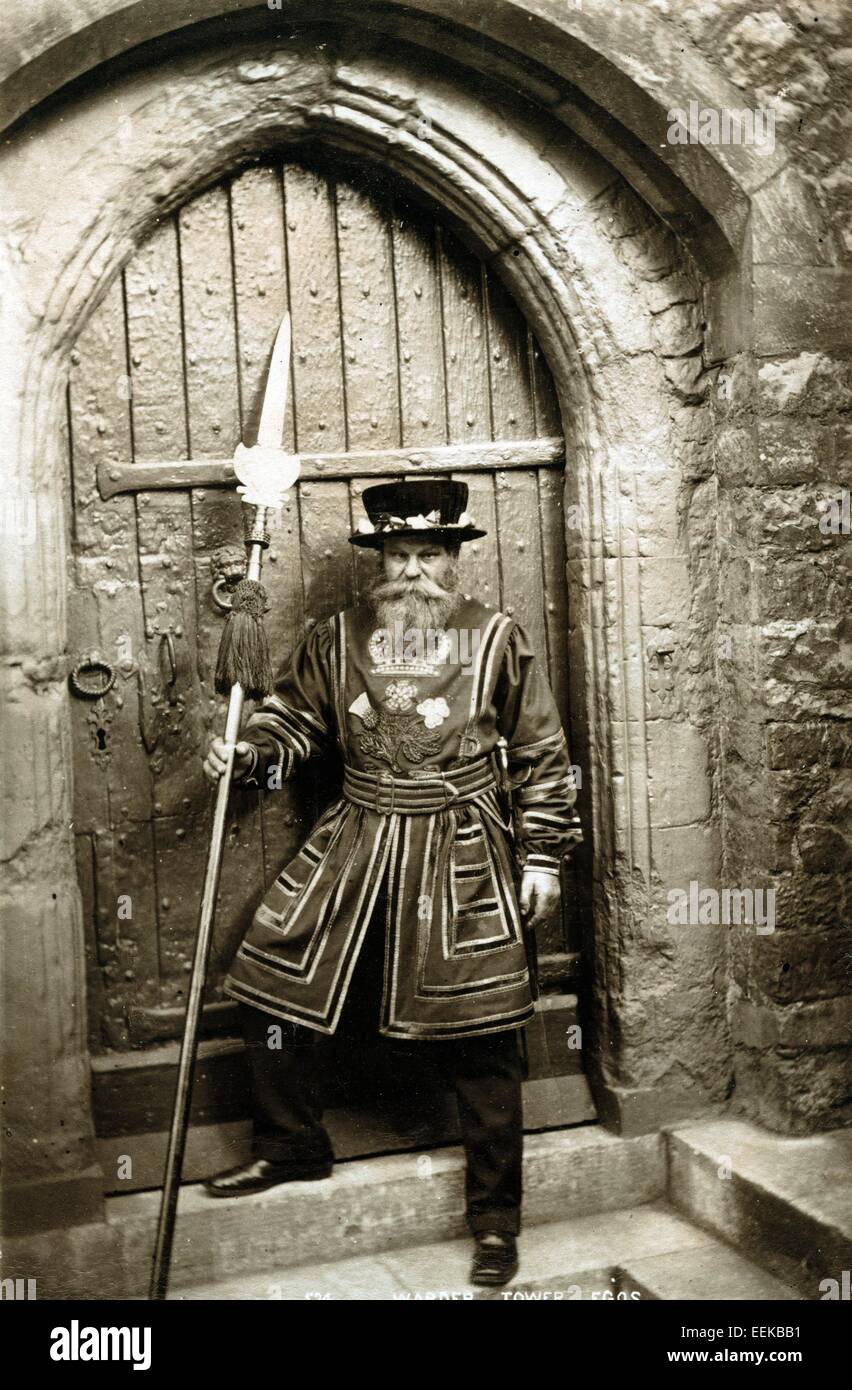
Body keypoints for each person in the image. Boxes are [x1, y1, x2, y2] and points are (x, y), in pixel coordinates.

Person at [202, 478, 582, 1287]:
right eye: (399, 555)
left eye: (429, 555)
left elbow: (543, 754)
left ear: (453, 561)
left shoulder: (496, 639)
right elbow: (294, 722)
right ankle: (292, 1145)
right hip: (359, 832)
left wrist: (543, 856)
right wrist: (251, 753)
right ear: (379, 562)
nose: (413, 571)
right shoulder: (336, 638)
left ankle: (494, 1220)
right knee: (270, 973)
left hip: (463, 847)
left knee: (484, 1032)